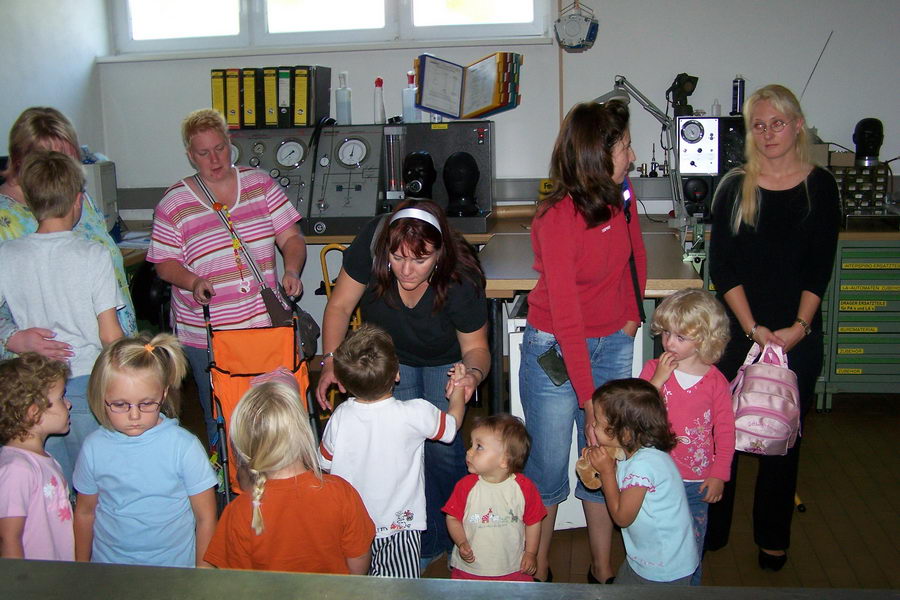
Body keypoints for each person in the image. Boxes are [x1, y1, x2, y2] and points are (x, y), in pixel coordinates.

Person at [705, 84, 841, 571]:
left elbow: (818, 268)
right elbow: (723, 269)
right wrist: (754, 328)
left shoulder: (820, 187)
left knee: (783, 436)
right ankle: (713, 528)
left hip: (797, 334)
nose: (767, 134)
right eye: (758, 125)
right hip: (739, 331)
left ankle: (772, 536)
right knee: (725, 432)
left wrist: (798, 328)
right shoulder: (733, 186)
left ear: (798, 125)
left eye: (777, 123)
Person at [315, 198, 490, 565]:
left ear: (440, 254)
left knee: (444, 453)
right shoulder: (373, 245)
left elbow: (476, 349)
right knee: (407, 452)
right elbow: (340, 306)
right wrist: (331, 360)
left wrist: (471, 376)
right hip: (395, 360)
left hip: (446, 362)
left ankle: (452, 537)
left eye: (420, 260)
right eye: (398, 258)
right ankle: (421, 543)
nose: (407, 270)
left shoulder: (461, 278)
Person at [519, 100, 646, 583]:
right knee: (549, 472)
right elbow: (567, 316)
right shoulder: (557, 218)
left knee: (604, 460)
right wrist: (590, 399)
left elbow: (636, 255)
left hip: (611, 342)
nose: (631, 156)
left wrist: (631, 318)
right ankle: (539, 569)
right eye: (625, 146)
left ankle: (603, 570)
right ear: (598, 153)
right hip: (555, 346)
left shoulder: (623, 195)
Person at [147, 108, 307, 448]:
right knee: (222, 415)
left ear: (230, 144)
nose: (214, 159)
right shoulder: (174, 202)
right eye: (203, 153)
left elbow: (291, 238)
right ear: (190, 155)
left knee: (274, 412)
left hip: (264, 326)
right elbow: (164, 263)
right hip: (208, 334)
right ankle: (229, 488)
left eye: (219, 148)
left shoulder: (260, 184)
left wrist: (291, 270)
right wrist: (192, 281)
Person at [0, 151, 125, 487]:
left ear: (29, 201)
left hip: (35, 389)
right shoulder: (93, 255)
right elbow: (109, 334)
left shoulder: (6, 255)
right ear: (78, 200)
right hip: (84, 383)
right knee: (94, 486)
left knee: (51, 483)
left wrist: (12, 333)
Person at [318, 324, 468, 577]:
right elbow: (451, 427)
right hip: (401, 524)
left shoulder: (340, 416)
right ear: (397, 374)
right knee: (398, 590)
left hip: (350, 524)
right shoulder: (416, 413)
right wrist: (458, 392)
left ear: (343, 382)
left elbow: (324, 463)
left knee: (353, 587)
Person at [0, 106, 136, 361]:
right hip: (46, 369)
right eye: (52, 159)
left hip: (110, 356)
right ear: (21, 160)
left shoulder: (80, 200)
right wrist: (13, 338)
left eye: (69, 160)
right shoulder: (4, 219)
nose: (62, 170)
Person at [72, 333, 217, 567]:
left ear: (163, 394)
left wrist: (202, 574)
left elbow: (206, 518)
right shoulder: (93, 448)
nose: (134, 415)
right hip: (109, 567)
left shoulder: (183, 447)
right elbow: (85, 513)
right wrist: (80, 566)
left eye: (147, 403)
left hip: (175, 568)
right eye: (120, 404)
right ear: (101, 397)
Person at [203, 376, 374, 574]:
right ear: (304, 432)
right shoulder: (342, 493)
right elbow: (358, 562)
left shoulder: (238, 512)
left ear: (245, 446)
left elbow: (237, 583)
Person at [639, 288, 734, 585]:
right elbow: (637, 409)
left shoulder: (715, 381)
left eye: (681, 337)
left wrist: (719, 473)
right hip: (656, 476)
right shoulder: (654, 369)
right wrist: (657, 382)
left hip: (695, 480)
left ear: (705, 339)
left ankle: (688, 589)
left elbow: (726, 430)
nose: (669, 342)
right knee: (655, 538)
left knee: (692, 545)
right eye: (666, 333)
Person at [586, 378, 698, 585]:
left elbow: (622, 518)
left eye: (599, 423)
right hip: (644, 557)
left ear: (625, 433)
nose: (593, 425)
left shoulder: (644, 466)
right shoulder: (638, 453)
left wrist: (607, 473)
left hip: (664, 567)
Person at [442, 414, 547, 581]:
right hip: (471, 569)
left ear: (504, 460)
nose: (469, 451)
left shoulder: (524, 488)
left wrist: (531, 552)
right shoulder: (465, 486)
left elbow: (533, 521)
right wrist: (461, 542)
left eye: (479, 447)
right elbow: (452, 518)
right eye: (471, 444)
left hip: (513, 568)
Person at [0, 354, 74, 560]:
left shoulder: (43, 459)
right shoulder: (17, 468)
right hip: (33, 581)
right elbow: (9, 537)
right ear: (34, 412)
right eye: (61, 397)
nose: (68, 404)